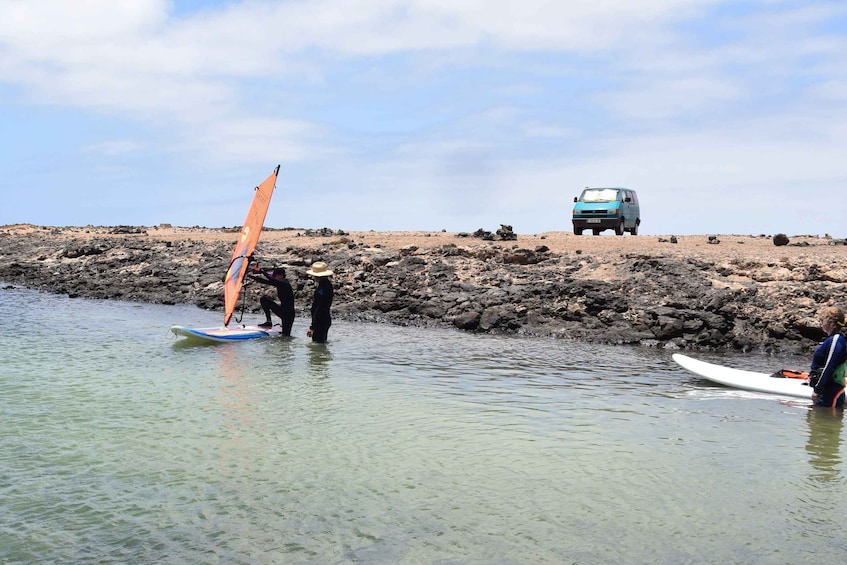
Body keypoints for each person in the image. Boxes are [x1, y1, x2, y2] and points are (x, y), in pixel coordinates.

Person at [810, 306, 847, 408]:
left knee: (828, 422)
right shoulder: (830, 340)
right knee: (816, 423)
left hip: (831, 391)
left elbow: (830, 366)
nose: (820, 323)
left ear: (832, 324)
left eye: (822, 320)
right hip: (824, 390)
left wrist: (817, 389)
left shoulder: (836, 340)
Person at [249, 266, 295, 336]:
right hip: (282, 310)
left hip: (289, 314)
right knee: (264, 299)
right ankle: (269, 321)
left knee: (286, 336)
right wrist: (250, 276)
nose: (274, 277)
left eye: (275, 276)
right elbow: (265, 281)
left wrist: (262, 271)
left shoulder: (285, 284)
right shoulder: (279, 283)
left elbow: (271, 279)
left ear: (281, 276)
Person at [305, 261, 334, 343]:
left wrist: (312, 327)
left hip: (321, 320)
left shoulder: (324, 288)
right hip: (323, 319)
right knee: (320, 345)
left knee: (316, 345)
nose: (312, 277)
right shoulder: (324, 285)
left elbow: (320, 307)